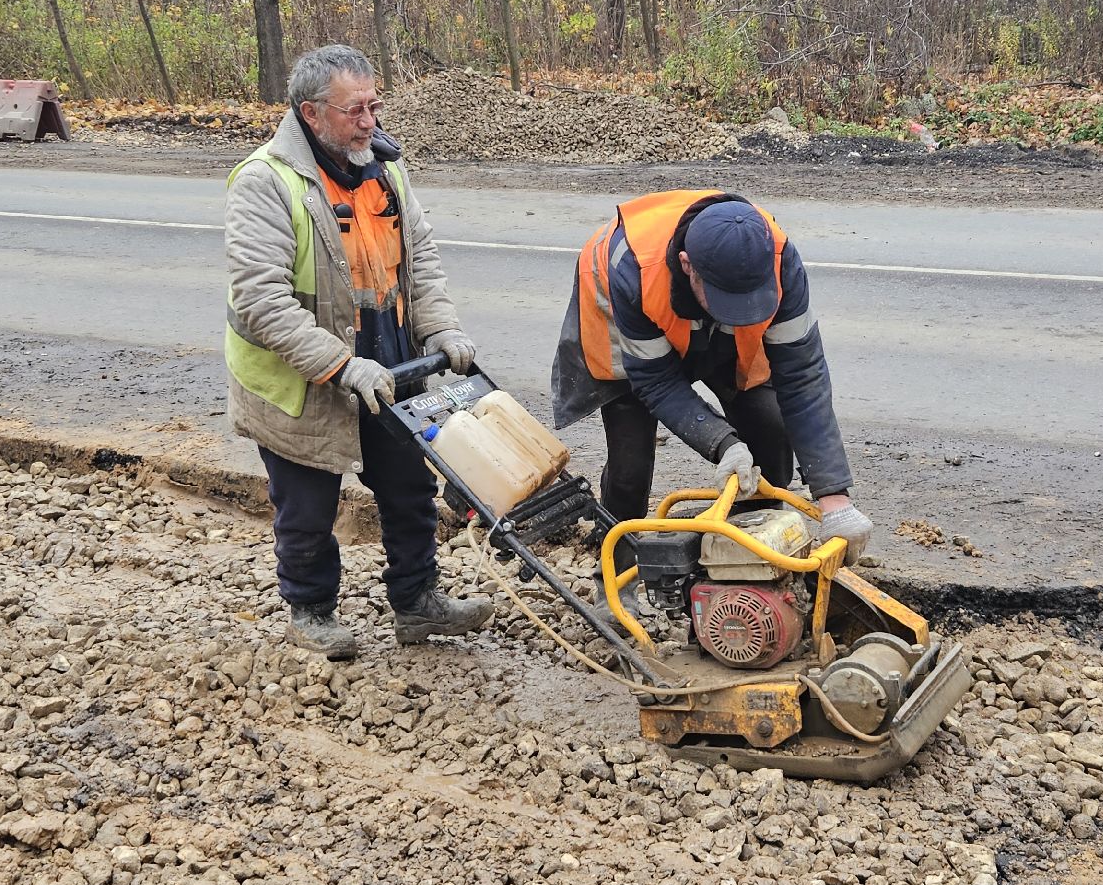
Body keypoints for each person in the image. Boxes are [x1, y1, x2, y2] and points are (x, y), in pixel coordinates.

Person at [224, 44, 491, 660]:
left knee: (410, 490)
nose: (370, 121)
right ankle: (311, 610)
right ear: (311, 114)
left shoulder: (385, 169)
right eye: (355, 111)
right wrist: (341, 365)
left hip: (389, 355)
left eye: (373, 105)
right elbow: (261, 303)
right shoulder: (265, 182)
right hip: (301, 375)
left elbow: (420, 263)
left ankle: (418, 603)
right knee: (308, 504)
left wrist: (442, 330)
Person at [551, 191, 875, 565]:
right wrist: (723, 443)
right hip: (632, 323)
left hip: (713, 327)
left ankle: (748, 557)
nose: (740, 312)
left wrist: (835, 499)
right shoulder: (633, 270)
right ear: (688, 265)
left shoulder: (778, 257)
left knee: (771, 438)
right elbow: (656, 381)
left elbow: (802, 375)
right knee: (630, 467)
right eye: (727, 301)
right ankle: (615, 575)